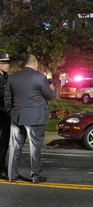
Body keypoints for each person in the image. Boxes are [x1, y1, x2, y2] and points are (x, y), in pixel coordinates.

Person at [4, 54, 55, 183]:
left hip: (17, 116)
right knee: (35, 147)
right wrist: (52, 89)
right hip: (35, 118)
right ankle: (35, 175)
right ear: (35, 63)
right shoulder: (40, 78)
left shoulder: (13, 77)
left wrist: (12, 112)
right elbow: (49, 95)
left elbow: (7, 98)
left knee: (15, 146)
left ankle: (12, 175)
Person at [0, 53, 11, 178]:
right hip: (1, 113)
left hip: (6, 115)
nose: (7, 65)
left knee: (4, 142)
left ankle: (1, 165)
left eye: (8, 63)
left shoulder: (7, 77)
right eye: (4, 63)